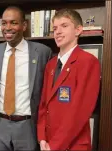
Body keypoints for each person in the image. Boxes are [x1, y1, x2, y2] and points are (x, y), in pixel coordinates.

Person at [0, 6, 52, 151]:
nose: (7, 28)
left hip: (28, 126)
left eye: (13, 23)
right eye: (4, 23)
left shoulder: (42, 52)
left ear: (24, 25)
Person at [37, 9, 101, 151]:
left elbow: (80, 111)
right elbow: (43, 105)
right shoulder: (51, 65)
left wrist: (54, 146)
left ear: (78, 30)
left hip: (72, 145)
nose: (57, 32)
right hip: (47, 143)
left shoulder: (88, 62)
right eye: (55, 28)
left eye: (64, 26)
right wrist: (42, 138)